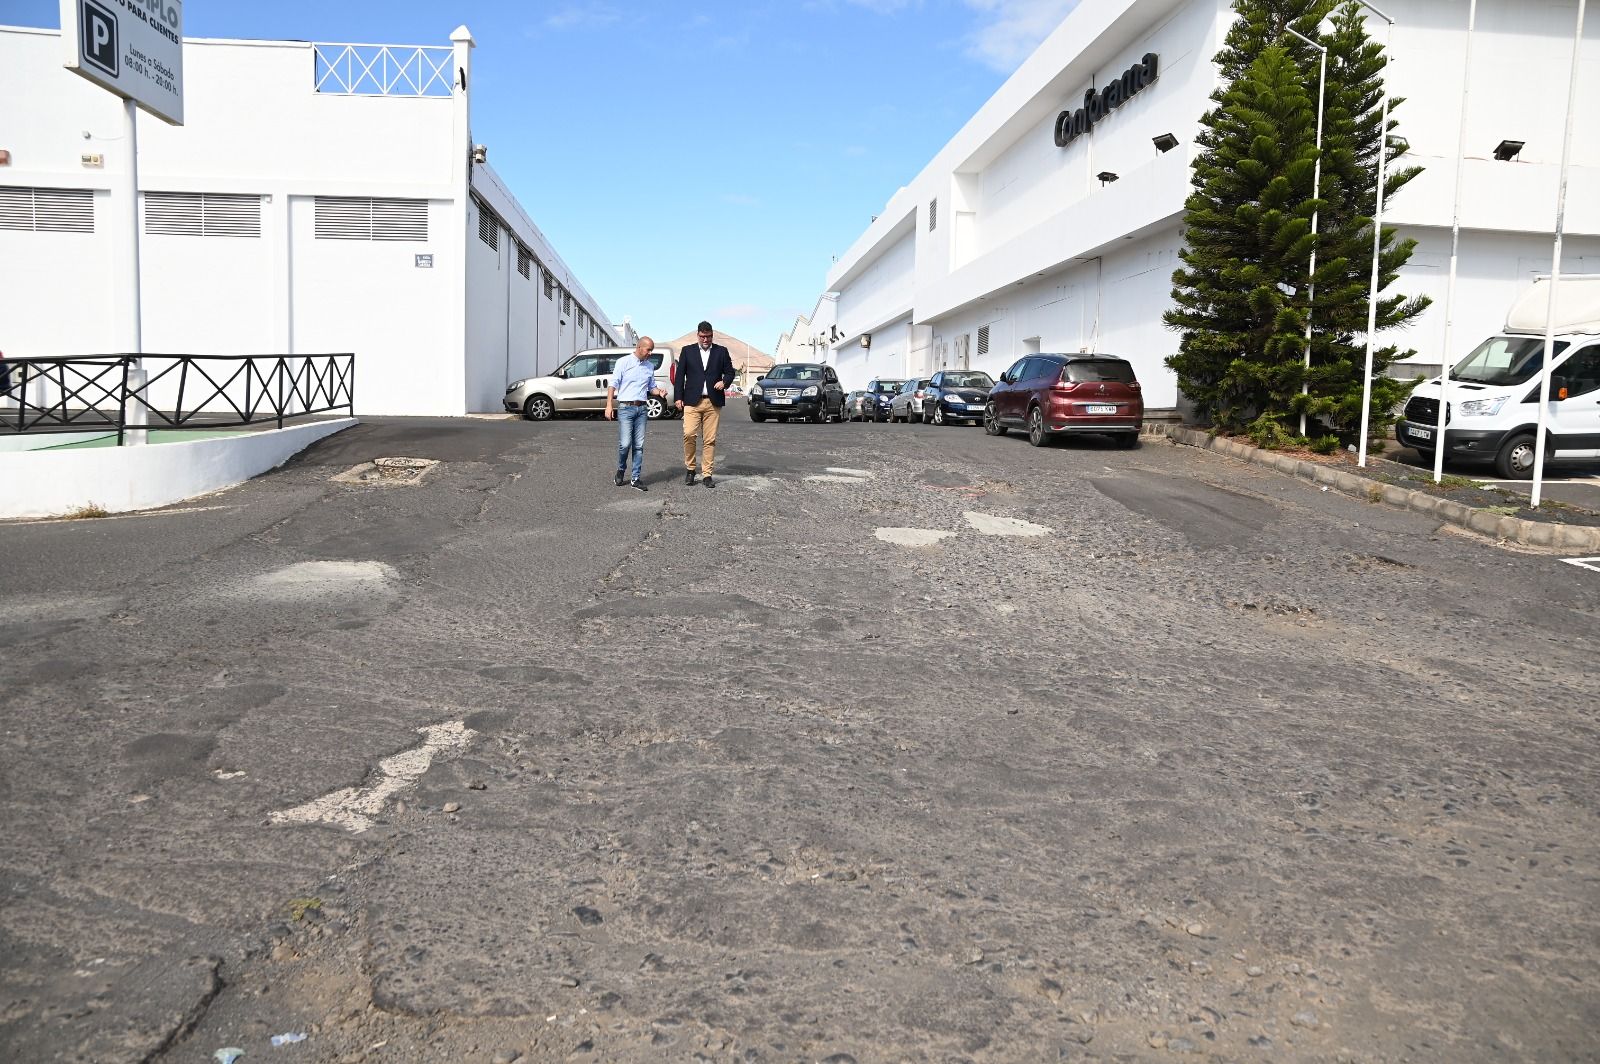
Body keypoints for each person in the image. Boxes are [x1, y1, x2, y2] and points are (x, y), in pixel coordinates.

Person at [675, 321, 736, 487]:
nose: (706, 340)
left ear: (712, 335)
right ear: (697, 335)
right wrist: (678, 397)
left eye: (709, 336)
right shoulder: (687, 351)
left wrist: (724, 382)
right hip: (691, 402)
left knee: (709, 440)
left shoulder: (721, 352)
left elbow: (730, 371)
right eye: (703, 336)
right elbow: (680, 376)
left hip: (713, 402)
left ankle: (707, 474)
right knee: (689, 434)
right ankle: (690, 469)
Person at [605, 337, 667, 491]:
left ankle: (635, 478)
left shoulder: (649, 366)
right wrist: (608, 405)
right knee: (625, 444)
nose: (650, 353)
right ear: (639, 347)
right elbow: (613, 385)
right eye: (648, 350)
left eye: (652, 350)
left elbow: (651, 388)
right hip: (626, 408)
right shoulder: (623, 362)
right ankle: (621, 469)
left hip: (642, 409)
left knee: (638, 446)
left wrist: (659, 392)